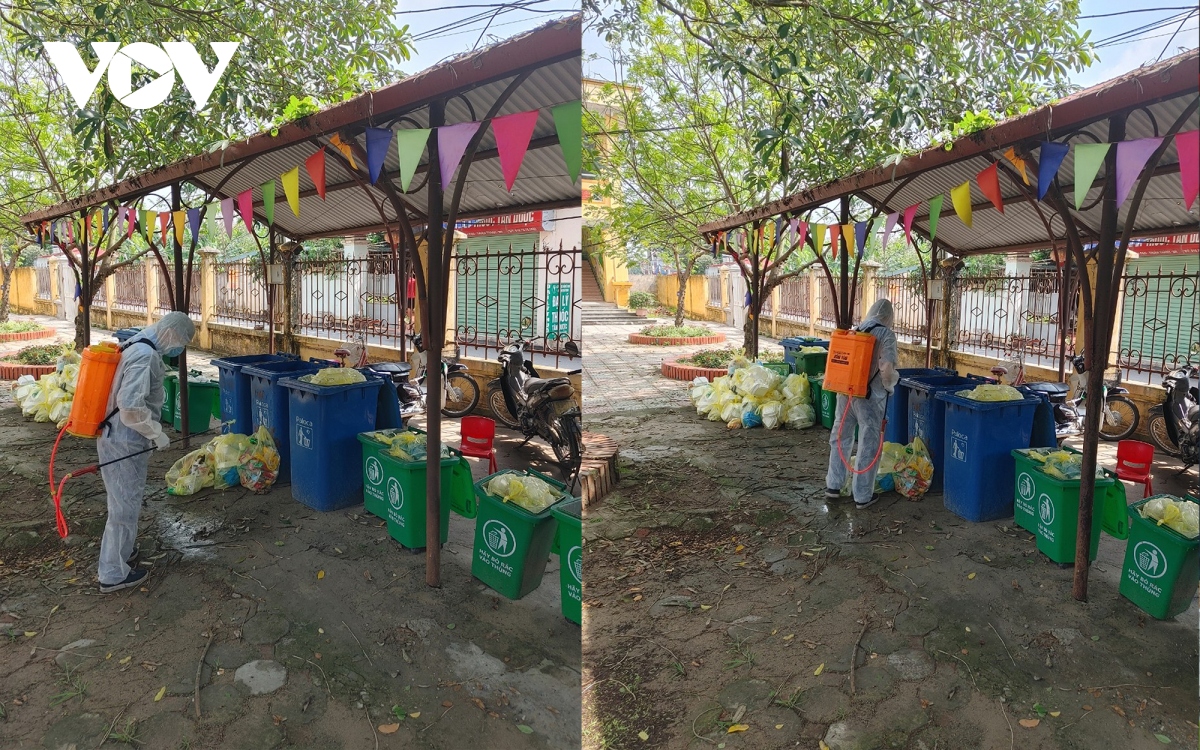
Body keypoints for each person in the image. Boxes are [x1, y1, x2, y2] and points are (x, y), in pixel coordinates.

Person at [97, 312, 196, 593]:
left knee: (123, 501)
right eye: (183, 341)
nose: (182, 348)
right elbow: (129, 406)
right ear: (171, 333)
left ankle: (123, 553)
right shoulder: (144, 355)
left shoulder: (138, 343)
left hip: (120, 437)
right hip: (124, 440)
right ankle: (112, 574)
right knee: (123, 505)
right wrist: (156, 432)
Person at [825, 298, 900, 510]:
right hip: (869, 398)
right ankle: (862, 496)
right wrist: (891, 385)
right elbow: (886, 367)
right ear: (888, 316)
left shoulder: (857, 330)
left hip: (845, 393)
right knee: (869, 442)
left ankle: (833, 486)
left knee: (841, 437)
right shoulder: (886, 334)